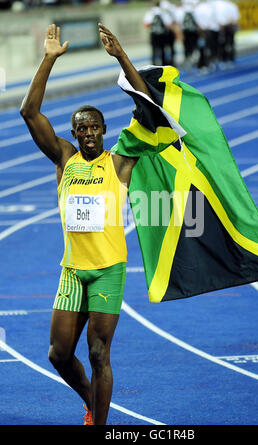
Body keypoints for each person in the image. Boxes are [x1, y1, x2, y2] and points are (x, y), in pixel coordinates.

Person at [20, 23, 151, 426]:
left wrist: (121, 57)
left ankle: (102, 425)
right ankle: (92, 401)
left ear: (104, 131)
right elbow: (29, 111)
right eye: (82, 128)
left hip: (108, 270)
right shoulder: (64, 158)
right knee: (58, 354)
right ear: (74, 133)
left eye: (95, 127)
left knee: (98, 353)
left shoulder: (120, 161)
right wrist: (49, 58)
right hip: (73, 271)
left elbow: (149, 106)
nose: (89, 133)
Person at [143, 0, 173, 66]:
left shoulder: (150, 13)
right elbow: (168, 25)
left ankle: (153, 66)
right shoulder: (163, 13)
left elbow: (146, 24)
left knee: (154, 51)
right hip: (162, 35)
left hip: (154, 34)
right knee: (163, 51)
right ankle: (163, 66)